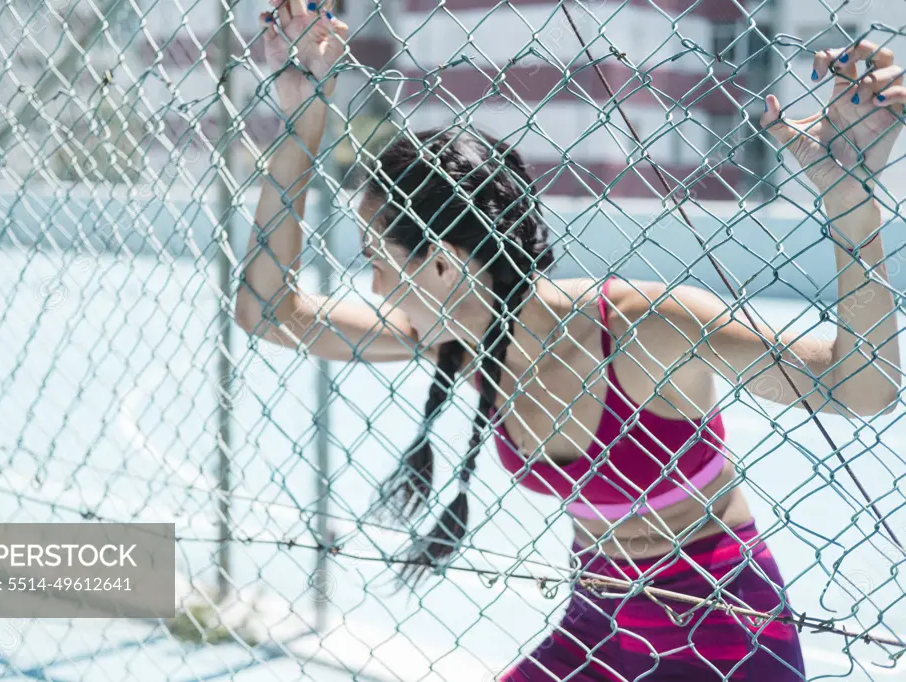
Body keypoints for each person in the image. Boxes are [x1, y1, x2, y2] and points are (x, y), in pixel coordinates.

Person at [236, 2, 904, 679]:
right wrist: (301, 119)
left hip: (724, 637)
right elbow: (268, 312)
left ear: (442, 263)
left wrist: (852, 202)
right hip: (597, 630)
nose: (375, 287)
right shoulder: (466, 338)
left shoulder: (643, 330)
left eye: (379, 260)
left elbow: (863, 388)